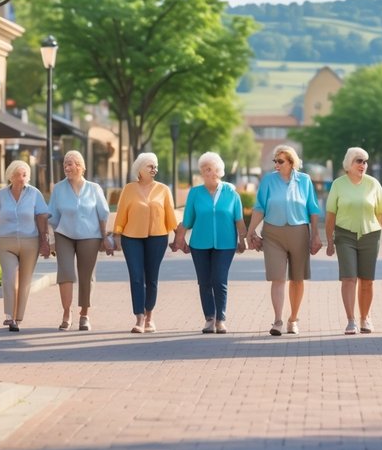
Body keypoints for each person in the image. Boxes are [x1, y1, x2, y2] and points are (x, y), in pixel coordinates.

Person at [247, 144, 323, 336]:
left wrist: (315, 234)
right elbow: (259, 207)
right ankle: (278, 321)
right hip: (273, 234)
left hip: (299, 232)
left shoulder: (304, 180)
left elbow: (313, 209)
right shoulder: (268, 180)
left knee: (297, 279)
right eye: (275, 161)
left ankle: (293, 319)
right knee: (278, 277)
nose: (277, 164)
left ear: (291, 162)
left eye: (280, 161)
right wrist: (250, 231)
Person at [174, 152, 247, 334]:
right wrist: (180, 239)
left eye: (213, 169)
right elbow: (188, 220)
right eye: (206, 169)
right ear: (202, 173)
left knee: (219, 280)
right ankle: (209, 318)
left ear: (220, 171)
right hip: (199, 244)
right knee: (204, 281)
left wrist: (243, 240)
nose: (210, 173)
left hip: (226, 243)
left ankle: (220, 319)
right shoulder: (195, 193)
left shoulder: (231, 193)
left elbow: (239, 220)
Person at [324, 147, 382, 335]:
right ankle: (351, 320)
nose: (363, 165)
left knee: (367, 280)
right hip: (344, 235)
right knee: (348, 278)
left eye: (365, 161)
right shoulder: (338, 184)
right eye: (359, 161)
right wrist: (329, 240)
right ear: (349, 163)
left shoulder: (373, 184)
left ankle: (365, 318)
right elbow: (331, 214)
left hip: (370, 235)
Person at [0, 160, 51, 332]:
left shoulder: (34, 194)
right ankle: (9, 316)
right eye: (18, 175)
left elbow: (42, 217)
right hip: (6, 243)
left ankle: (17, 319)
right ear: (10, 177)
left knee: (25, 282)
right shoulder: (0, 196)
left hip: (30, 242)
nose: (22, 178)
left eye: (25, 175)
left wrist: (45, 242)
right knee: (10, 278)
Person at [48, 150, 113, 331]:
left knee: (86, 275)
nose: (66, 168)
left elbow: (103, 214)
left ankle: (84, 314)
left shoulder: (94, 188)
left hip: (90, 235)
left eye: (70, 164)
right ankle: (66, 313)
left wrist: (104, 237)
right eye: (65, 164)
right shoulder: (58, 189)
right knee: (65, 273)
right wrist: (52, 237)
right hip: (64, 235)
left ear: (80, 167)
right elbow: (52, 215)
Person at [113, 152, 177, 334]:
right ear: (140, 169)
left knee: (151, 278)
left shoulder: (163, 189)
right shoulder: (129, 189)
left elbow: (170, 214)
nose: (154, 169)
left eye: (155, 166)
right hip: (131, 237)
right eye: (150, 166)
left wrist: (178, 237)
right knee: (136, 276)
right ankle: (139, 318)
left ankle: (150, 316)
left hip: (158, 237)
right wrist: (117, 235)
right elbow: (121, 212)